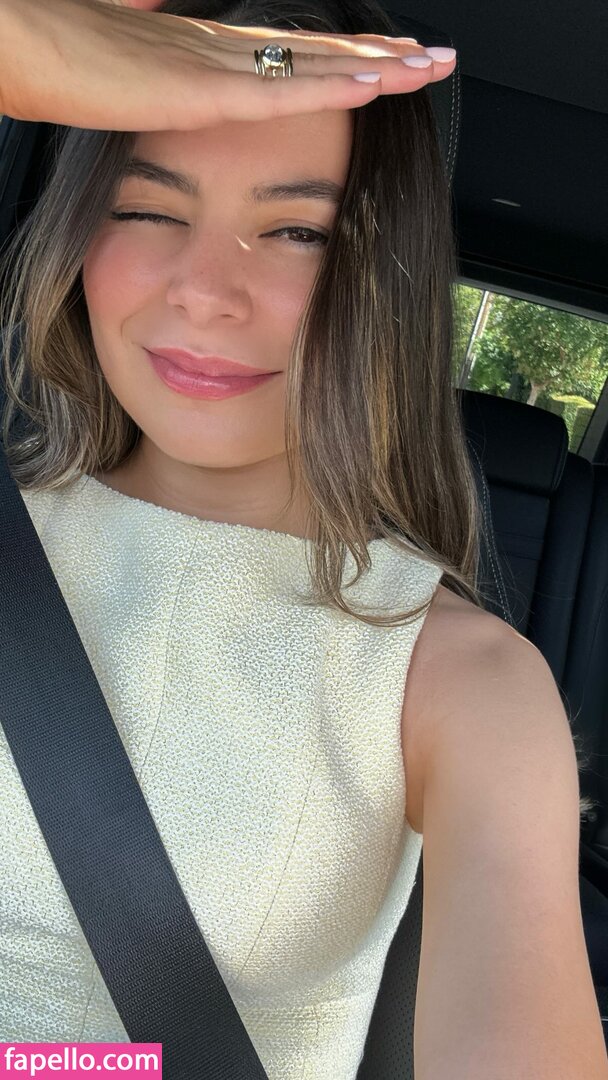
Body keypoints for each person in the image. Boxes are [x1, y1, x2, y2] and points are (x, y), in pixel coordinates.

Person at [0, 1, 606, 1077]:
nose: (204, 291)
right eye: (144, 207)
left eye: (298, 232)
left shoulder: (464, 684)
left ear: (387, 275)